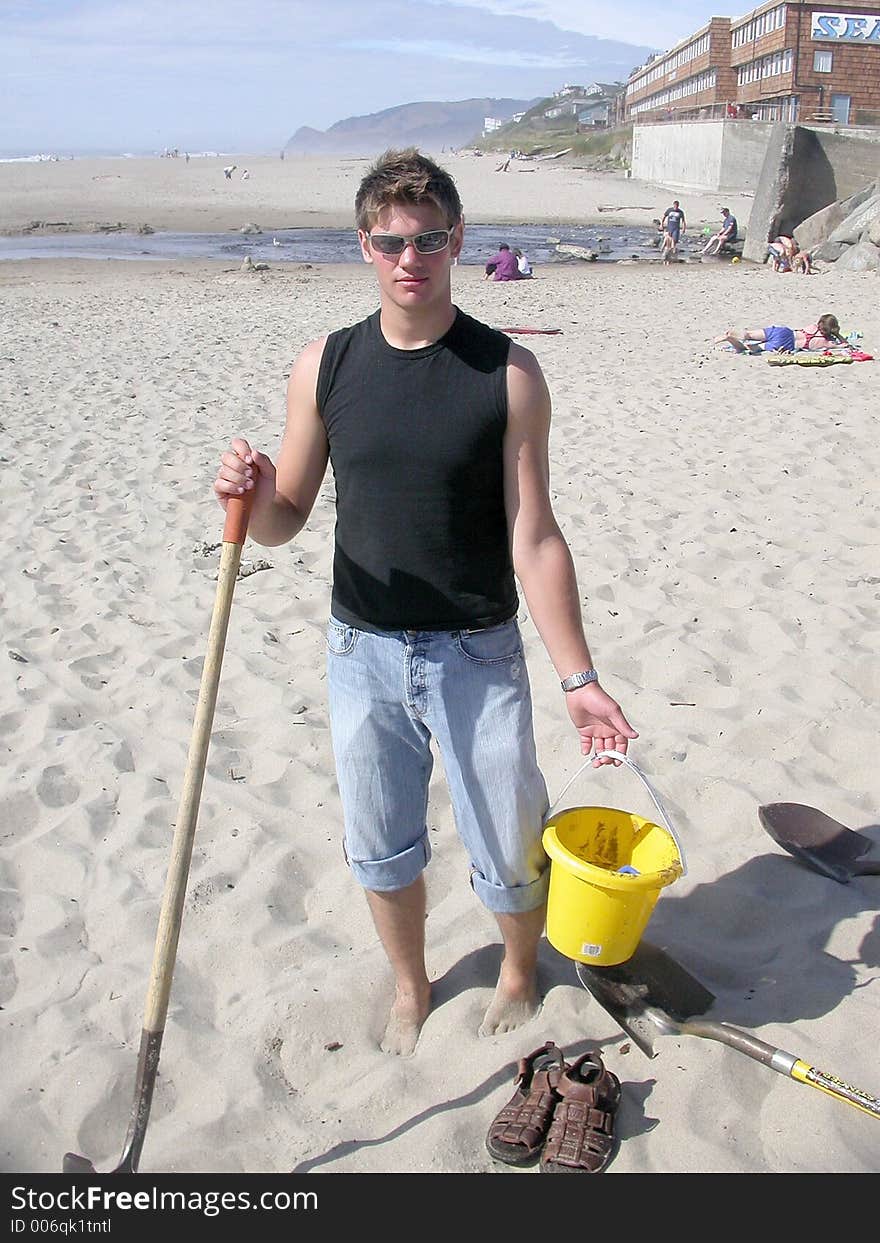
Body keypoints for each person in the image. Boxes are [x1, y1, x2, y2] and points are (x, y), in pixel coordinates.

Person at [213, 148, 637, 1057]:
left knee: (507, 837)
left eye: (430, 239)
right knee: (380, 839)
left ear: (457, 243)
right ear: (365, 246)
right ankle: (413, 983)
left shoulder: (508, 372)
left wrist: (580, 676)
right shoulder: (324, 365)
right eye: (392, 241)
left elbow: (536, 535)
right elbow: (286, 517)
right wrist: (247, 497)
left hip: (478, 648)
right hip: (360, 650)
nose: (412, 258)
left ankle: (519, 971)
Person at [714, 313, 844, 353]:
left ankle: (738, 334)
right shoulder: (826, 342)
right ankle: (730, 339)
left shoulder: (813, 326)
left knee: (750, 335)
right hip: (786, 344)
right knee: (750, 348)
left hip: (785, 332)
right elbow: (844, 345)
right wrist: (838, 336)